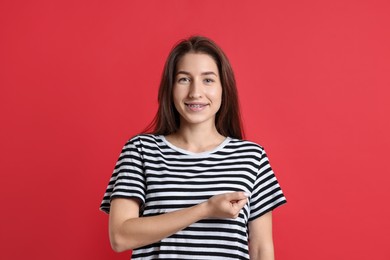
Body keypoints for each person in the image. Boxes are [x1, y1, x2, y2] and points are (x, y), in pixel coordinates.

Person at [100, 36, 287, 260]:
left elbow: (261, 250)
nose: (195, 92)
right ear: (170, 87)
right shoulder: (141, 150)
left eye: (208, 80)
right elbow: (120, 237)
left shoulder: (252, 157)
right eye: (184, 79)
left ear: (223, 88)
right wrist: (205, 209)